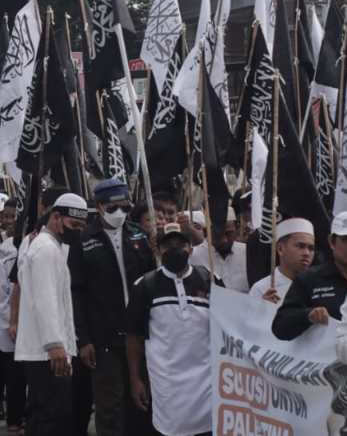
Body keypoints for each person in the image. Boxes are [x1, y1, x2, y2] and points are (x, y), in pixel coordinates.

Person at [69, 179, 156, 436]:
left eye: (125, 207)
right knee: (110, 402)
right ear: (99, 207)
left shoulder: (138, 235)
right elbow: (77, 293)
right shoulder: (84, 240)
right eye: (112, 208)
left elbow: (151, 279)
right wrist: (83, 339)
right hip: (104, 334)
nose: (119, 213)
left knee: (141, 398)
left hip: (140, 332)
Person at [126, 223, 220, 436]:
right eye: (168, 245)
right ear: (158, 250)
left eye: (181, 244)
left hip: (206, 382)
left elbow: (232, 323)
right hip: (167, 383)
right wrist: (135, 379)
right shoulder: (144, 286)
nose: (175, 249)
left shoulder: (209, 280)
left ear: (191, 248)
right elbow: (134, 336)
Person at [16, 192, 86, 436]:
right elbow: (45, 301)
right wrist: (55, 345)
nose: (77, 231)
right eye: (74, 225)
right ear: (57, 218)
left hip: (46, 350)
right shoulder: (45, 249)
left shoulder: (50, 247)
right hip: (46, 352)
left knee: (43, 414)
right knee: (51, 416)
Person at [273, 211, 347, 340]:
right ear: (332, 241)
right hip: (325, 358)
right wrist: (308, 315)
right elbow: (280, 327)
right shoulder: (310, 279)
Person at [0, 223, 24, 436]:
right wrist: (11, 321)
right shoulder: (8, 256)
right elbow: (0, 294)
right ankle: (13, 419)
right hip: (7, 326)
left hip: (23, 325)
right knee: (12, 375)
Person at [248, 218, 315, 305]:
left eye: (311, 248)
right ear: (280, 248)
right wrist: (262, 309)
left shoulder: (318, 286)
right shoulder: (262, 288)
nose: (306, 253)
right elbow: (250, 318)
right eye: (300, 246)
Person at [189, 207, 248, 292]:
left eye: (229, 233)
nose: (224, 240)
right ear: (207, 231)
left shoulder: (247, 253)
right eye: (218, 235)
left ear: (237, 229)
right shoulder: (194, 256)